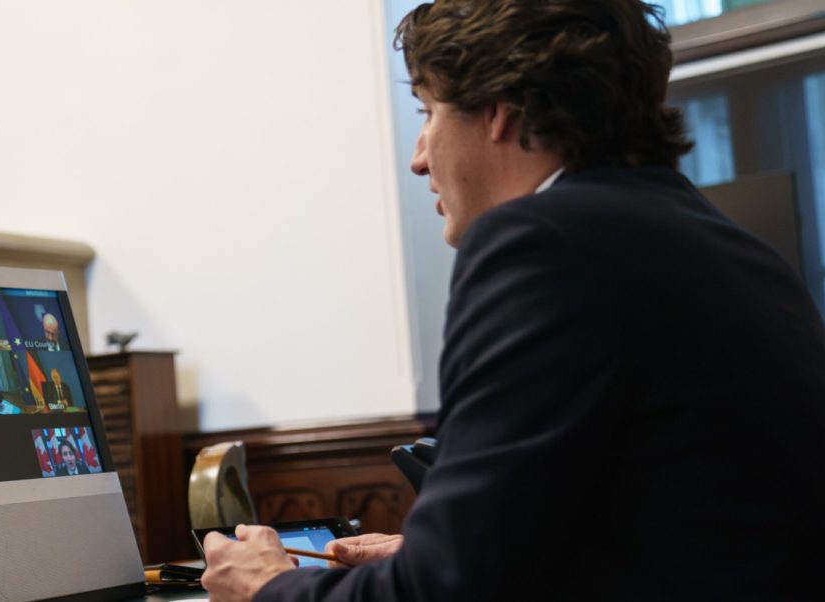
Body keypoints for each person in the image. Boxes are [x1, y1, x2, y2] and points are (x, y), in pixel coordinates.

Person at [201, 1, 825, 601]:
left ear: (500, 110)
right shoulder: (735, 248)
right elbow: (668, 531)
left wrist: (269, 587)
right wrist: (433, 554)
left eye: (427, 112)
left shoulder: (542, 242)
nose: (419, 158)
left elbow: (445, 592)